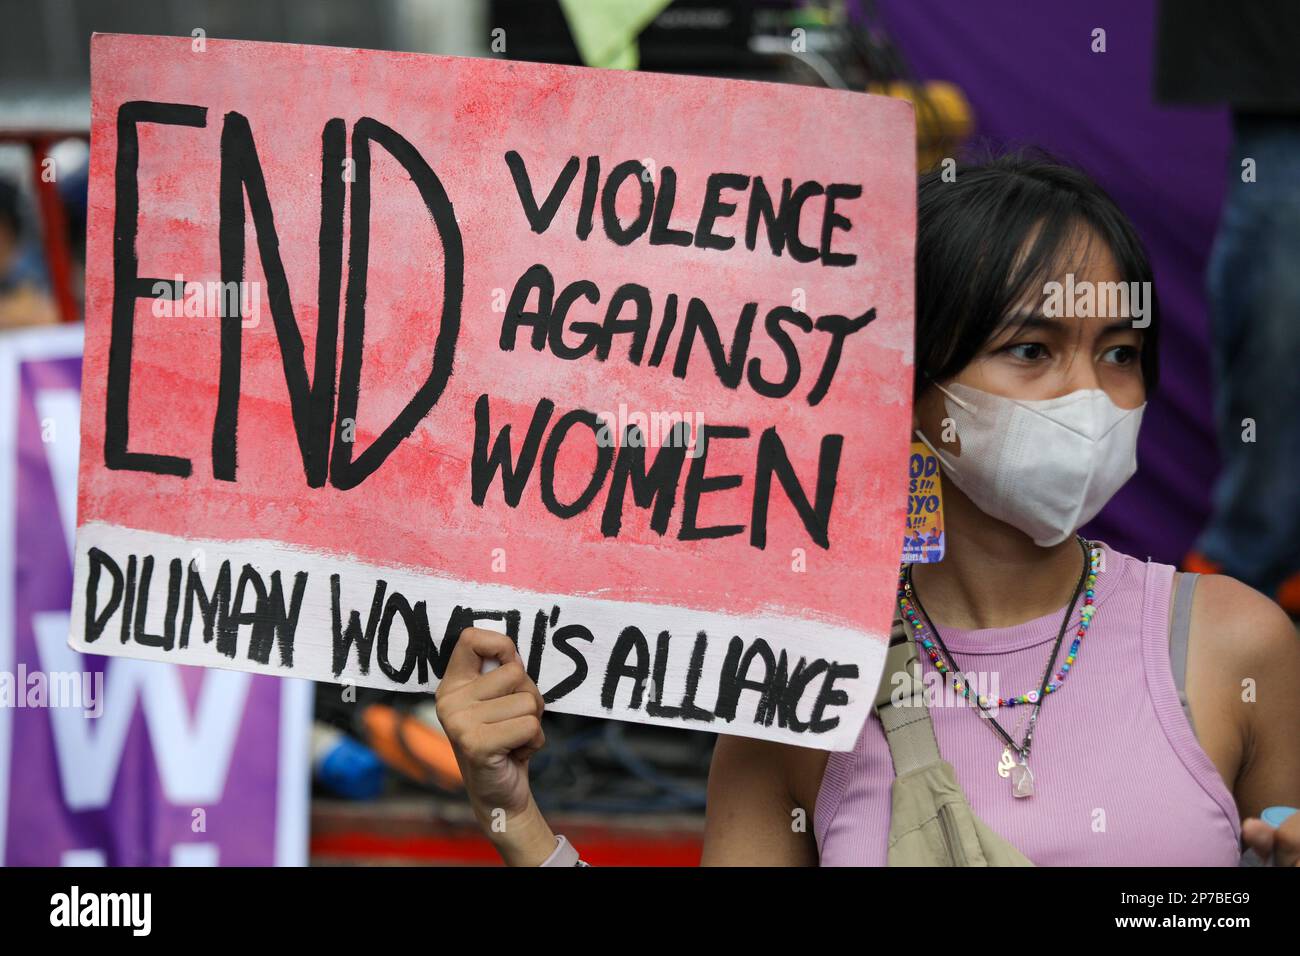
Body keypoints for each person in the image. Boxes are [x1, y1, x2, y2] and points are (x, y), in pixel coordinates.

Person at [434, 153, 1300, 866]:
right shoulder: (795, 694)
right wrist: (516, 821)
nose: (1091, 395)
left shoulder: (1236, 646)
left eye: (1119, 353)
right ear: (906, 384)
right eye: (1031, 350)